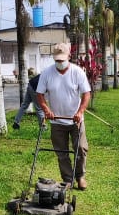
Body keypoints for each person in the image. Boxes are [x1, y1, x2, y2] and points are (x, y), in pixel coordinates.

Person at [37, 42, 92, 190]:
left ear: (69, 56)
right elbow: (39, 94)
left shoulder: (77, 72)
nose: (60, 62)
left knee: (81, 148)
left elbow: (86, 94)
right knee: (61, 152)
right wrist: (46, 110)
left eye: (62, 59)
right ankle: (68, 179)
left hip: (75, 120)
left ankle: (80, 176)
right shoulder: (47, 73)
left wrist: (80, 112)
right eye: (57, 60)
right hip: (56, 121)